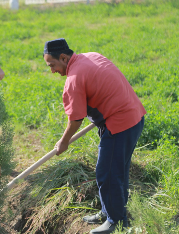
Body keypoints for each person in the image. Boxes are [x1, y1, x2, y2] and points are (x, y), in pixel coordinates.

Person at [43, 38, 146, 234]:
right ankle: (110, 212)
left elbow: (75, 119)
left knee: (107, 173)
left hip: (120, 124)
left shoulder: (73, 78)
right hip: (134, 117)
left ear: (63, 58)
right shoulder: (91, 57)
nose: (52, 70)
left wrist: (63, 142)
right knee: (118, 171)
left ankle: (116, 221)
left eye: (53, 65)